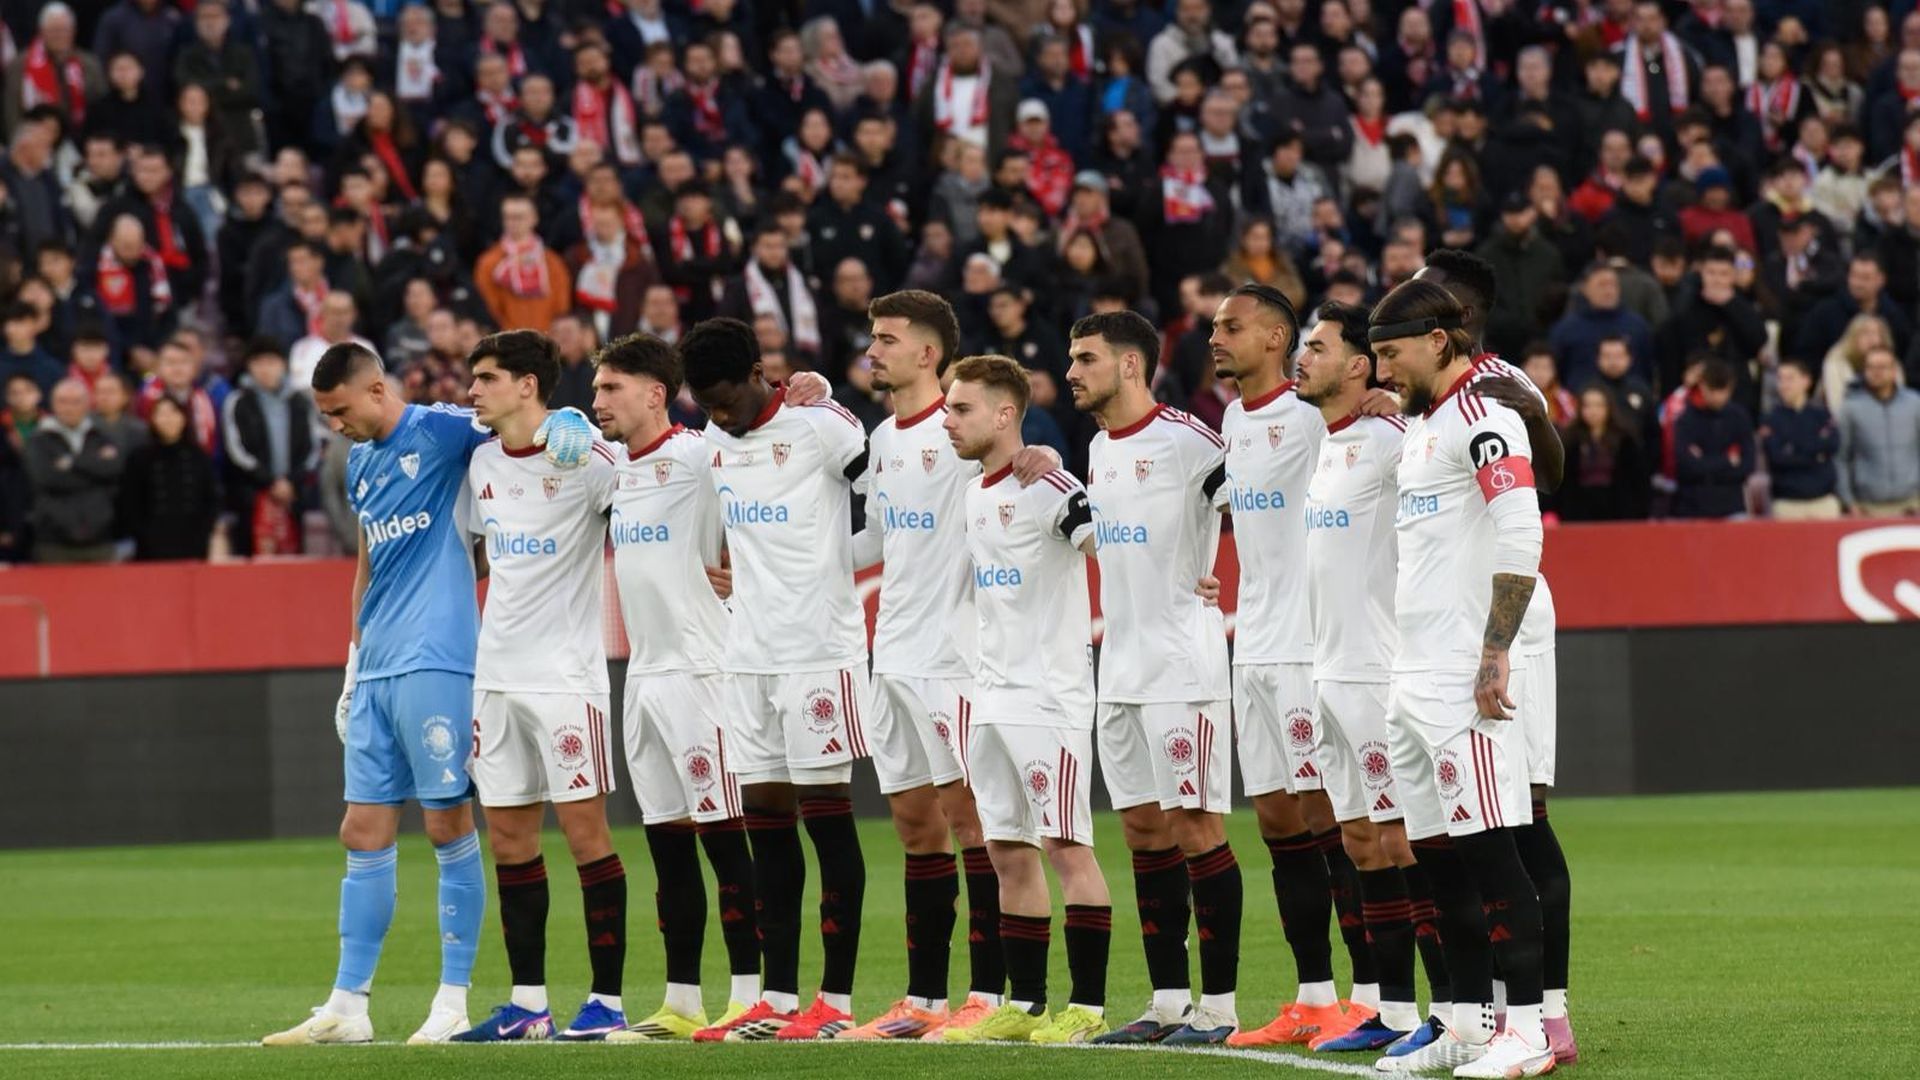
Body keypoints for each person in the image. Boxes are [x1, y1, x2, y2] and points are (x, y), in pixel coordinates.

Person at [263, 342, 595, 1047]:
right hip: (379, 664)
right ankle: (348, 1005)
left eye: (341, 411)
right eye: (324, 416)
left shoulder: (442, 430)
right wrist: (353, 664)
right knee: (361, 828)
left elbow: (520, 418)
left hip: (439, 657)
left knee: (447, 824)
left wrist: (575, 420)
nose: (335, 426)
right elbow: (366, 563)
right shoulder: (358, 462)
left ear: (376, 389)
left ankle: (451, 998)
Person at [810, 293, 1056, 1041]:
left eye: (885, 340)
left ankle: (987, 994)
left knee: (971, 824)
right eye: (870, 338)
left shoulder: (963, 434)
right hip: (895, 656)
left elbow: (1028, 474)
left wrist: (1038, 458)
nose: (871, 351)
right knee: (916, 828)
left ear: (927, 353)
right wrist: (783, 564)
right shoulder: (884, 437)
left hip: (956, 660)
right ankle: (923, 1001)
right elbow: (877, 539)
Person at [1365, 280, 1554, 1078]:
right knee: (1436, 856)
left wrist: (1494, 649)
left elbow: (1521, 528)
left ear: (1439, 341)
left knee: (1491, 852)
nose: (1382, 369)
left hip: (1458, 672)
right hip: (1411, 673)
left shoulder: (1485, 416)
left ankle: (1530, 1028)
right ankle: (1470, 1022)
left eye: (1391, 352)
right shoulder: (1422, 428)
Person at [674, 317, 872, 1041]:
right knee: (767, 831)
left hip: (818, 651)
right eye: (707, 404)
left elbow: (887, 509)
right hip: (746, 656)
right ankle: (778, 1001)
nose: (720, 414)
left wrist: (825, 568)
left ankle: (838, 1004)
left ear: (760, 371)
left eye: (727, 397)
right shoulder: (715, 441)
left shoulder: (822, 425)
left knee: (828, 827)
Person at [1204, 286, 1374, 1049]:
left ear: (1277, 337)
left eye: (1231, 327)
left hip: (1311, 644)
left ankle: (1372, 994)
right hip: (1256, 642)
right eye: (1213, 327)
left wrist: (1380, 403)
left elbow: (1365, 422)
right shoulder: (1234, 420)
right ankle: (1313, 995)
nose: (1216, 338)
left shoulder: (1312, 415)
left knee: (1333, 819)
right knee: (1278, 822)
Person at [445, 331, 627, 1043]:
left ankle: (607, 1003)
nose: (472, 391)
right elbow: (481, 553)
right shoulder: (481, 461)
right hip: (497, 677)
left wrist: (581, 425)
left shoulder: (585, 459)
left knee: (587, 837)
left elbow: (656, 477)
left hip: (565, 679)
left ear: (528, 385)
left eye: (485, 378)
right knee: (510, 840)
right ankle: (528, 1005)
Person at [1062, 311, 1237, 1045]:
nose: (1071, 371)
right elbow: (1106, 540)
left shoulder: (1192, 443)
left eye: (1085, 358)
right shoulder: (1100, 448)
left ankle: (1220, 1008)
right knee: (1141, 831)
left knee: (1197, 827)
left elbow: (1266, 506)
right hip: (1122, 666)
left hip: (1182, 668)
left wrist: (1235, 582)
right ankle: (1167, 1001)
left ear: (1131, 366)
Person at [933, 352, 1113, 1044]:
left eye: (962, 408)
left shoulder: (1049, 484)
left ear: (1006, 414)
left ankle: (1089, 1010)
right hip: (992, 697)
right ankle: (1026, 1004)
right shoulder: (975, 492)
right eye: (948, 407)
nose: (949, 420)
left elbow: (1111, 546)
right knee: (1007, 851)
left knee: (1066, 845)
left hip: (1050, 698)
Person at [590, 331, 765, 1043]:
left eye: (610, 388)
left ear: (655, 393)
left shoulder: (700, 456)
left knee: (726, 838)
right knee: (666, 843)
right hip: (645, 673)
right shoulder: (613, 470)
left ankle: (754, 997)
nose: (596, 400)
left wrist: (747, 576)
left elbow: (772, 491)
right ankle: (682, 999)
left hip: (702, 671)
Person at [1292, 300, 1449, 1054]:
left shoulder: (1394, 436)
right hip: (1329, 670)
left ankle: (1453, 1014)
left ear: (1360, 365)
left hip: (1380, 674)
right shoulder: (1330, 441)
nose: (1302, 358)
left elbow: (1448, 445)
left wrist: (1411, 412)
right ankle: (1388, 1012)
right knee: (1358, 840)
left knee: (1404, 839)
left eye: (1316, 348)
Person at [221, 341, 321, 557]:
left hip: (293, 497)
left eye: (271, 362)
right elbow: (235, 449)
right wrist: (269, 481)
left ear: (283, 365)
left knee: (293, 562)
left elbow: (312, 448)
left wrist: (291, 482)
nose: (265, 369)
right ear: (249, 366)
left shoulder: (300, 402)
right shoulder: (238, 401)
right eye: (259, 363)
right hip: (252, 496)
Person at [23, 378, 126, 564]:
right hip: (53, 543)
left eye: (76, 401)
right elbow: (47, 478)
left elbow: (113, 470)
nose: (69, 407)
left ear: (88, 404)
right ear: (53, 404)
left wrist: (71, 463)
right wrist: (94, 471)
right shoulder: (39, 439)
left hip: (99, 539)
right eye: (63, 401)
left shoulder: (101, 435)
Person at [116, 392, 218, 560]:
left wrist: (203, 531)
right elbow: (130, 502)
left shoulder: (198, 456)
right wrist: (144, 535)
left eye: (173, 413)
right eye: (161, 414)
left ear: (183, 418)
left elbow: (211, 498)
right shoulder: (140, 458)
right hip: (151, 545)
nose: (168, 419)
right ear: (153, 420)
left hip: (193, 542)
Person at [1835, 346, 1920, 515]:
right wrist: (1848, 501)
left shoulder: (1914, 403)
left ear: (1894, 370)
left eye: (1882, 367)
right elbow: (1841, 457)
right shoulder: (1851, 408)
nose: (1876, 372)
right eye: (1870, 367)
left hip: (1912, 504)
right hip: (1868, 506)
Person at [1670, 358, 1756, 518]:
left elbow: (1748, 464)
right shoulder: (1686, 420)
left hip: (1732, 506)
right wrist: (1727, 461)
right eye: (1712, 390)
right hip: (1692, 507)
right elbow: (1686, 466)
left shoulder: (1739, 417)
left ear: (1731, 388)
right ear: (1702, 386)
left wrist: (1704, 461)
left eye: (1722, 391)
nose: (1717, 397)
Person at [476, 194, 574, 333]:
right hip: (506, 340)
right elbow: (488, 306)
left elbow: (561, 306)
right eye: (508, 217)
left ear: (534, 218)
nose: (513, 222)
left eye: (519, 217)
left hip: (546, 340)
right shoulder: (489, 262)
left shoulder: (552, 262)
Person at [1761, 358, 1841, 519]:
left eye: (1790, 378)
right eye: (1780, 379)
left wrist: (1792, 448)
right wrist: (1815, 453)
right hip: (1787, 503)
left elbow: (1833, 444)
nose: (1784, 385)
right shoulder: (1771, 418)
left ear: (1806, 381)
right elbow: (1777, 457)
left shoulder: (1822, 414)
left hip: (1823, 500)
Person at [1557, 385, 1652, 521]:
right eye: (1587, 406)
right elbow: (1562, 484)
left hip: (1619, 513)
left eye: (1599, 406)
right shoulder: (1569, 440)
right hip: (1578, 514)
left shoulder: (1626, 440)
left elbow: (1639, 481)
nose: (1593, 411)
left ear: (1609, 408)